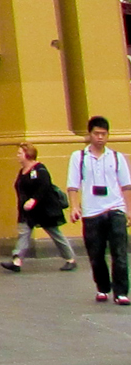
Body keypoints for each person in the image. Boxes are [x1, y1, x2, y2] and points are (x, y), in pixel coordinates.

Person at [65, 116, 131, 304]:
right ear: (90, 134)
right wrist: (74, 207)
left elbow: (126, 186)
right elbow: (73, 185)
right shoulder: (79, 157)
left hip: (115, 208)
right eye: (97, 133)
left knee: (119, 252)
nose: (100, 137)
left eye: (103, 134)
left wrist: (128, 210)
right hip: (92, 212)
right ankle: (102, 287)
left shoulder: (117, 157)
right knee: (96, 253)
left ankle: (121, 292)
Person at [3, 143, 77, 272]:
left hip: (43, 210)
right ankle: (17, 260)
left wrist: (34, 199)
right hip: (28, 211)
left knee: (55, 233)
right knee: (24, 233)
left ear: (28, 155)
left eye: (20, 153)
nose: (17, 156)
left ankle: (70, 258)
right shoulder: (22, 171)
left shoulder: (39, 169)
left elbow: (44, 186)